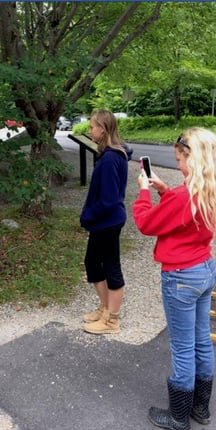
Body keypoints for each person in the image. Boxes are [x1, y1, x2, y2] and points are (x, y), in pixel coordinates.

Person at [132, 127, 216, 430]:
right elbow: (188, 216)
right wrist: (166, 191)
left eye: (180, 159)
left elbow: (146, 223)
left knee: (182, 348)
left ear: (193, 158)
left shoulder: (184, 196)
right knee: (202, 339)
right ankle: (200, 408)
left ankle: (178, 418)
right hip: (205, 269)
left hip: (180, 276)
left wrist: (143, 191)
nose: (178, 165)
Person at [80, 109, 132, 334]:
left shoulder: (111, 158)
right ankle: (104, 309)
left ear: (103, 128)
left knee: (111, 268)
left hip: (107, 221)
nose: (90, 130)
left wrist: (87, 216)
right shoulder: (110, 154)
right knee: (92, 263)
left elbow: (109, 200)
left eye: (92, 126)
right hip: (104, 221)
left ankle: (112, 321)